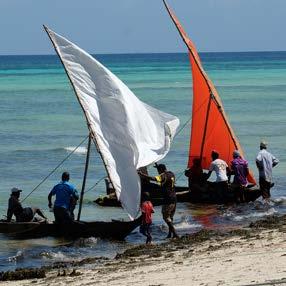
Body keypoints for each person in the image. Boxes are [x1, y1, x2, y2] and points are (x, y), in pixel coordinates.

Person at [139, 164, 178, 239]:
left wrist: (142, 174)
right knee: (170, 217)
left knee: (166, 217)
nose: (158, 172)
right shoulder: (171, 173)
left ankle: (175, 234)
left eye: (158, 170)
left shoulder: (163, 176)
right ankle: (170, 234)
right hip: (174, 198)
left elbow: (154, 178)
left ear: (160, 170)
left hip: (168, 199)